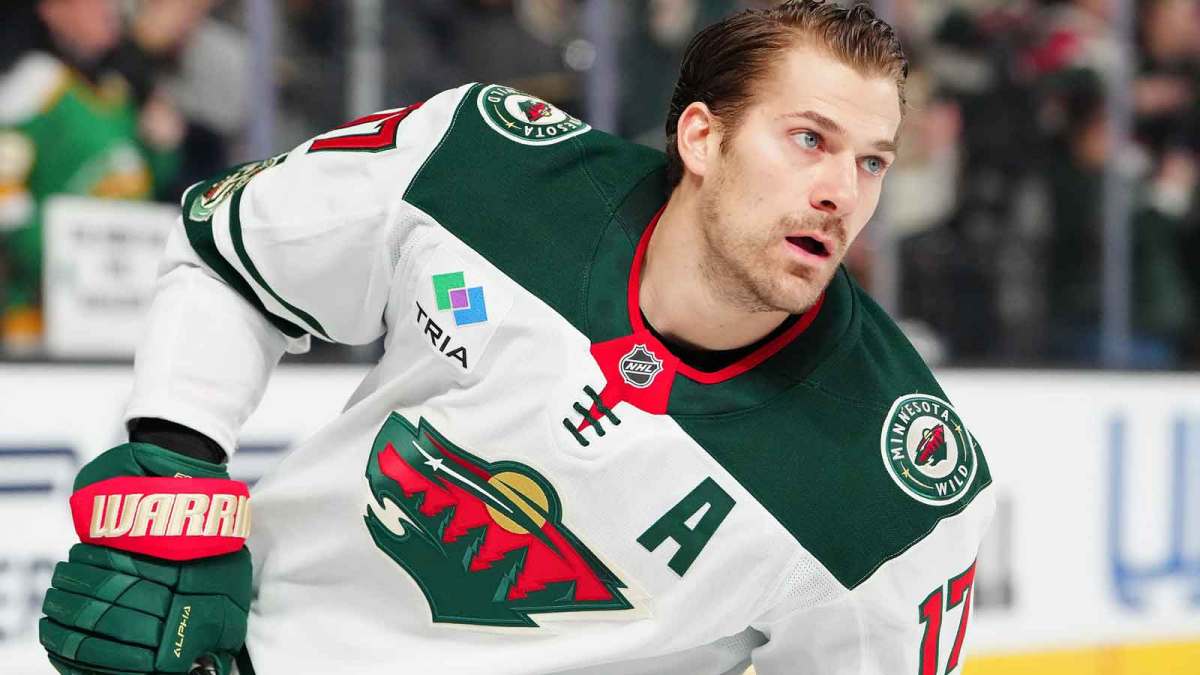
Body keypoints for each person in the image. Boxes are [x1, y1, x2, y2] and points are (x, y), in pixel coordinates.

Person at [38, 2, 994, 673]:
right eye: (809, 140)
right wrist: (175, 457)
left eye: (873, 161)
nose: (842, 193)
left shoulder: (898, 490)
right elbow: (231, 256)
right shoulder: (487, 171)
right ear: (701, 138)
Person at [0, 0, 183, 353]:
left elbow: (137, 178)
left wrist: (162, 149)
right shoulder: (32, 83)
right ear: (53, 11)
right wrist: (53, 248)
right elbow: (6, 193)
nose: (108, 9)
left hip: (122, 298)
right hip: (46, 307)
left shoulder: (117, 86)